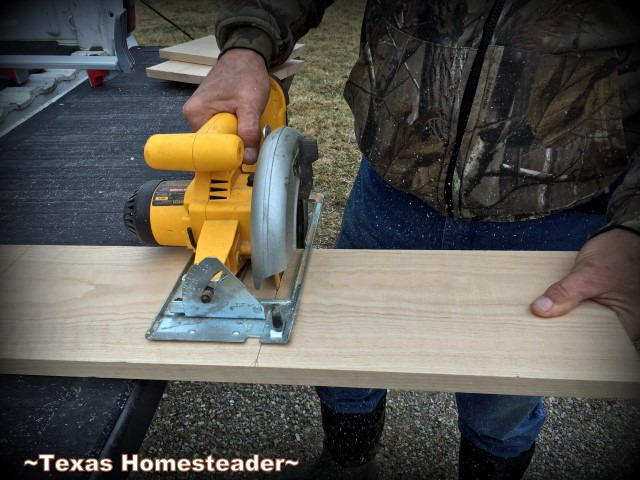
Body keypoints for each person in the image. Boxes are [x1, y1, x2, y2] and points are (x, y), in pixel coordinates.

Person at [182, 1, 640, 478]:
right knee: (346, 356)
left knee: (504, 393)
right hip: (396, 177)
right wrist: (247, 44)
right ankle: (348, 463)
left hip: (554, 202)